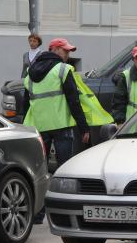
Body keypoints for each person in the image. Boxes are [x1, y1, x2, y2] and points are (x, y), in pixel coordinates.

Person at [22, 38, 90, 224]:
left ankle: (37, 214)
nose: (68, 55)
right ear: (55, 50)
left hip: (39, 128)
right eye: (65, 51)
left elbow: (25, 102)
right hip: (61, 127)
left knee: (39, 171)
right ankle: (65, 212)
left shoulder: (30, 73)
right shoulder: (62, 70)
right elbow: (73, 101)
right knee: (64, 170)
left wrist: (24, 126)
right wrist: (83, 127)